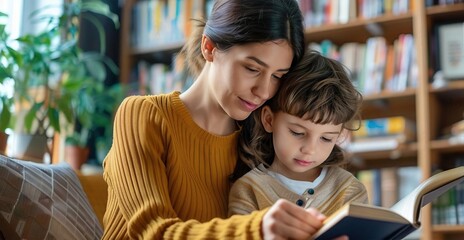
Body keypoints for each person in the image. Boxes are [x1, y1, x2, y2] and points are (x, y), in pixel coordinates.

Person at [101, 1, 327, 239]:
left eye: (277, 76)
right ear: (209, 47)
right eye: (252, 69)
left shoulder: (260, 138)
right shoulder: (144, 115)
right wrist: (257, 229)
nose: (263, 91)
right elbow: (154, 230)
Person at [228, 51, 368, 218]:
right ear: (269, 120)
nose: (310, 149)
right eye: (297, 132)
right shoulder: (249, 190)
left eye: (326, 138)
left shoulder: (349, 189)